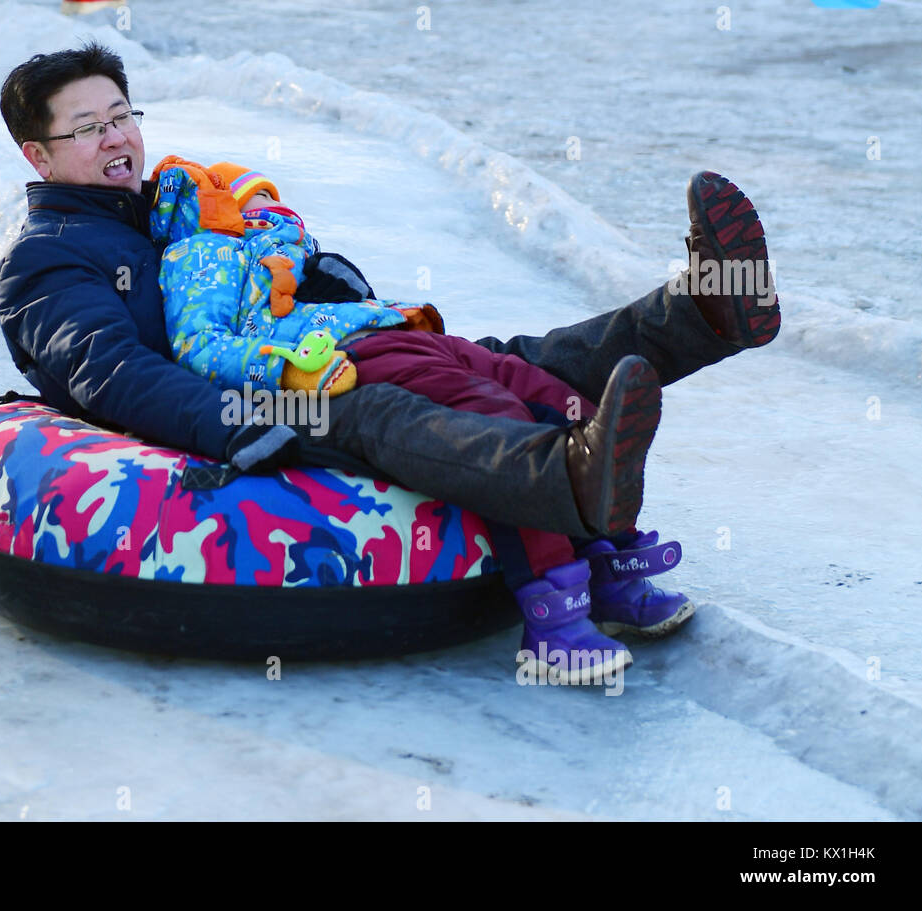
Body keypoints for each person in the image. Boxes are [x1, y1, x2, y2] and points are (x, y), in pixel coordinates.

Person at [0, 41, 780, 681]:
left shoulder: (172, 207)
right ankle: (565, 478)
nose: (116, 138)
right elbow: (108, 370)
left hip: (300, 344)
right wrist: (234, 423)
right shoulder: (49, 260)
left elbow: (253, 272)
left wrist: (315, 274)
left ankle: (703, 311)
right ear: (39, 154)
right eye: (88, 127)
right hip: (245, 394)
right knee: (384, 410)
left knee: (487, 361)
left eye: (123, 116)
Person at [149, 155, 701, 680]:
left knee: (552, 397)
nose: (274, 211)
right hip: (347, 357)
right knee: (501, 424)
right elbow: (200, 345)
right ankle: (553, 624)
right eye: (254, 201)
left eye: (272, 201)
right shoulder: (201, 255)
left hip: (404, 332)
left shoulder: (284, 254)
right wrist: (288, 369)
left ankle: (609, 566)